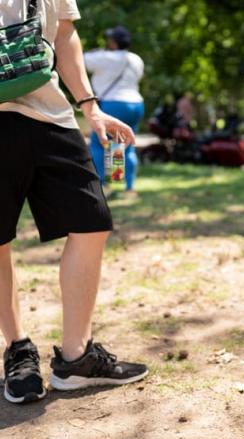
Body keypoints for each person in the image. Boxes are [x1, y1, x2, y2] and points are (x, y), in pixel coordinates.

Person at [0, 1, 148, 404]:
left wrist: (90, 105)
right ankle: (18, 349)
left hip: (51, 115)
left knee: (91, 220)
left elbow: (64, 35)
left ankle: (75, 358)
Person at [84, 25, 145, 193]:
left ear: (113, 42)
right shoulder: (136, 59)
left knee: (98, 143)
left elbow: (78, 60)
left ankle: (102, 185)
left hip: (113, 104)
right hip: (136, 104)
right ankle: (128, 186)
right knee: (126, 144)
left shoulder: (104, 57)